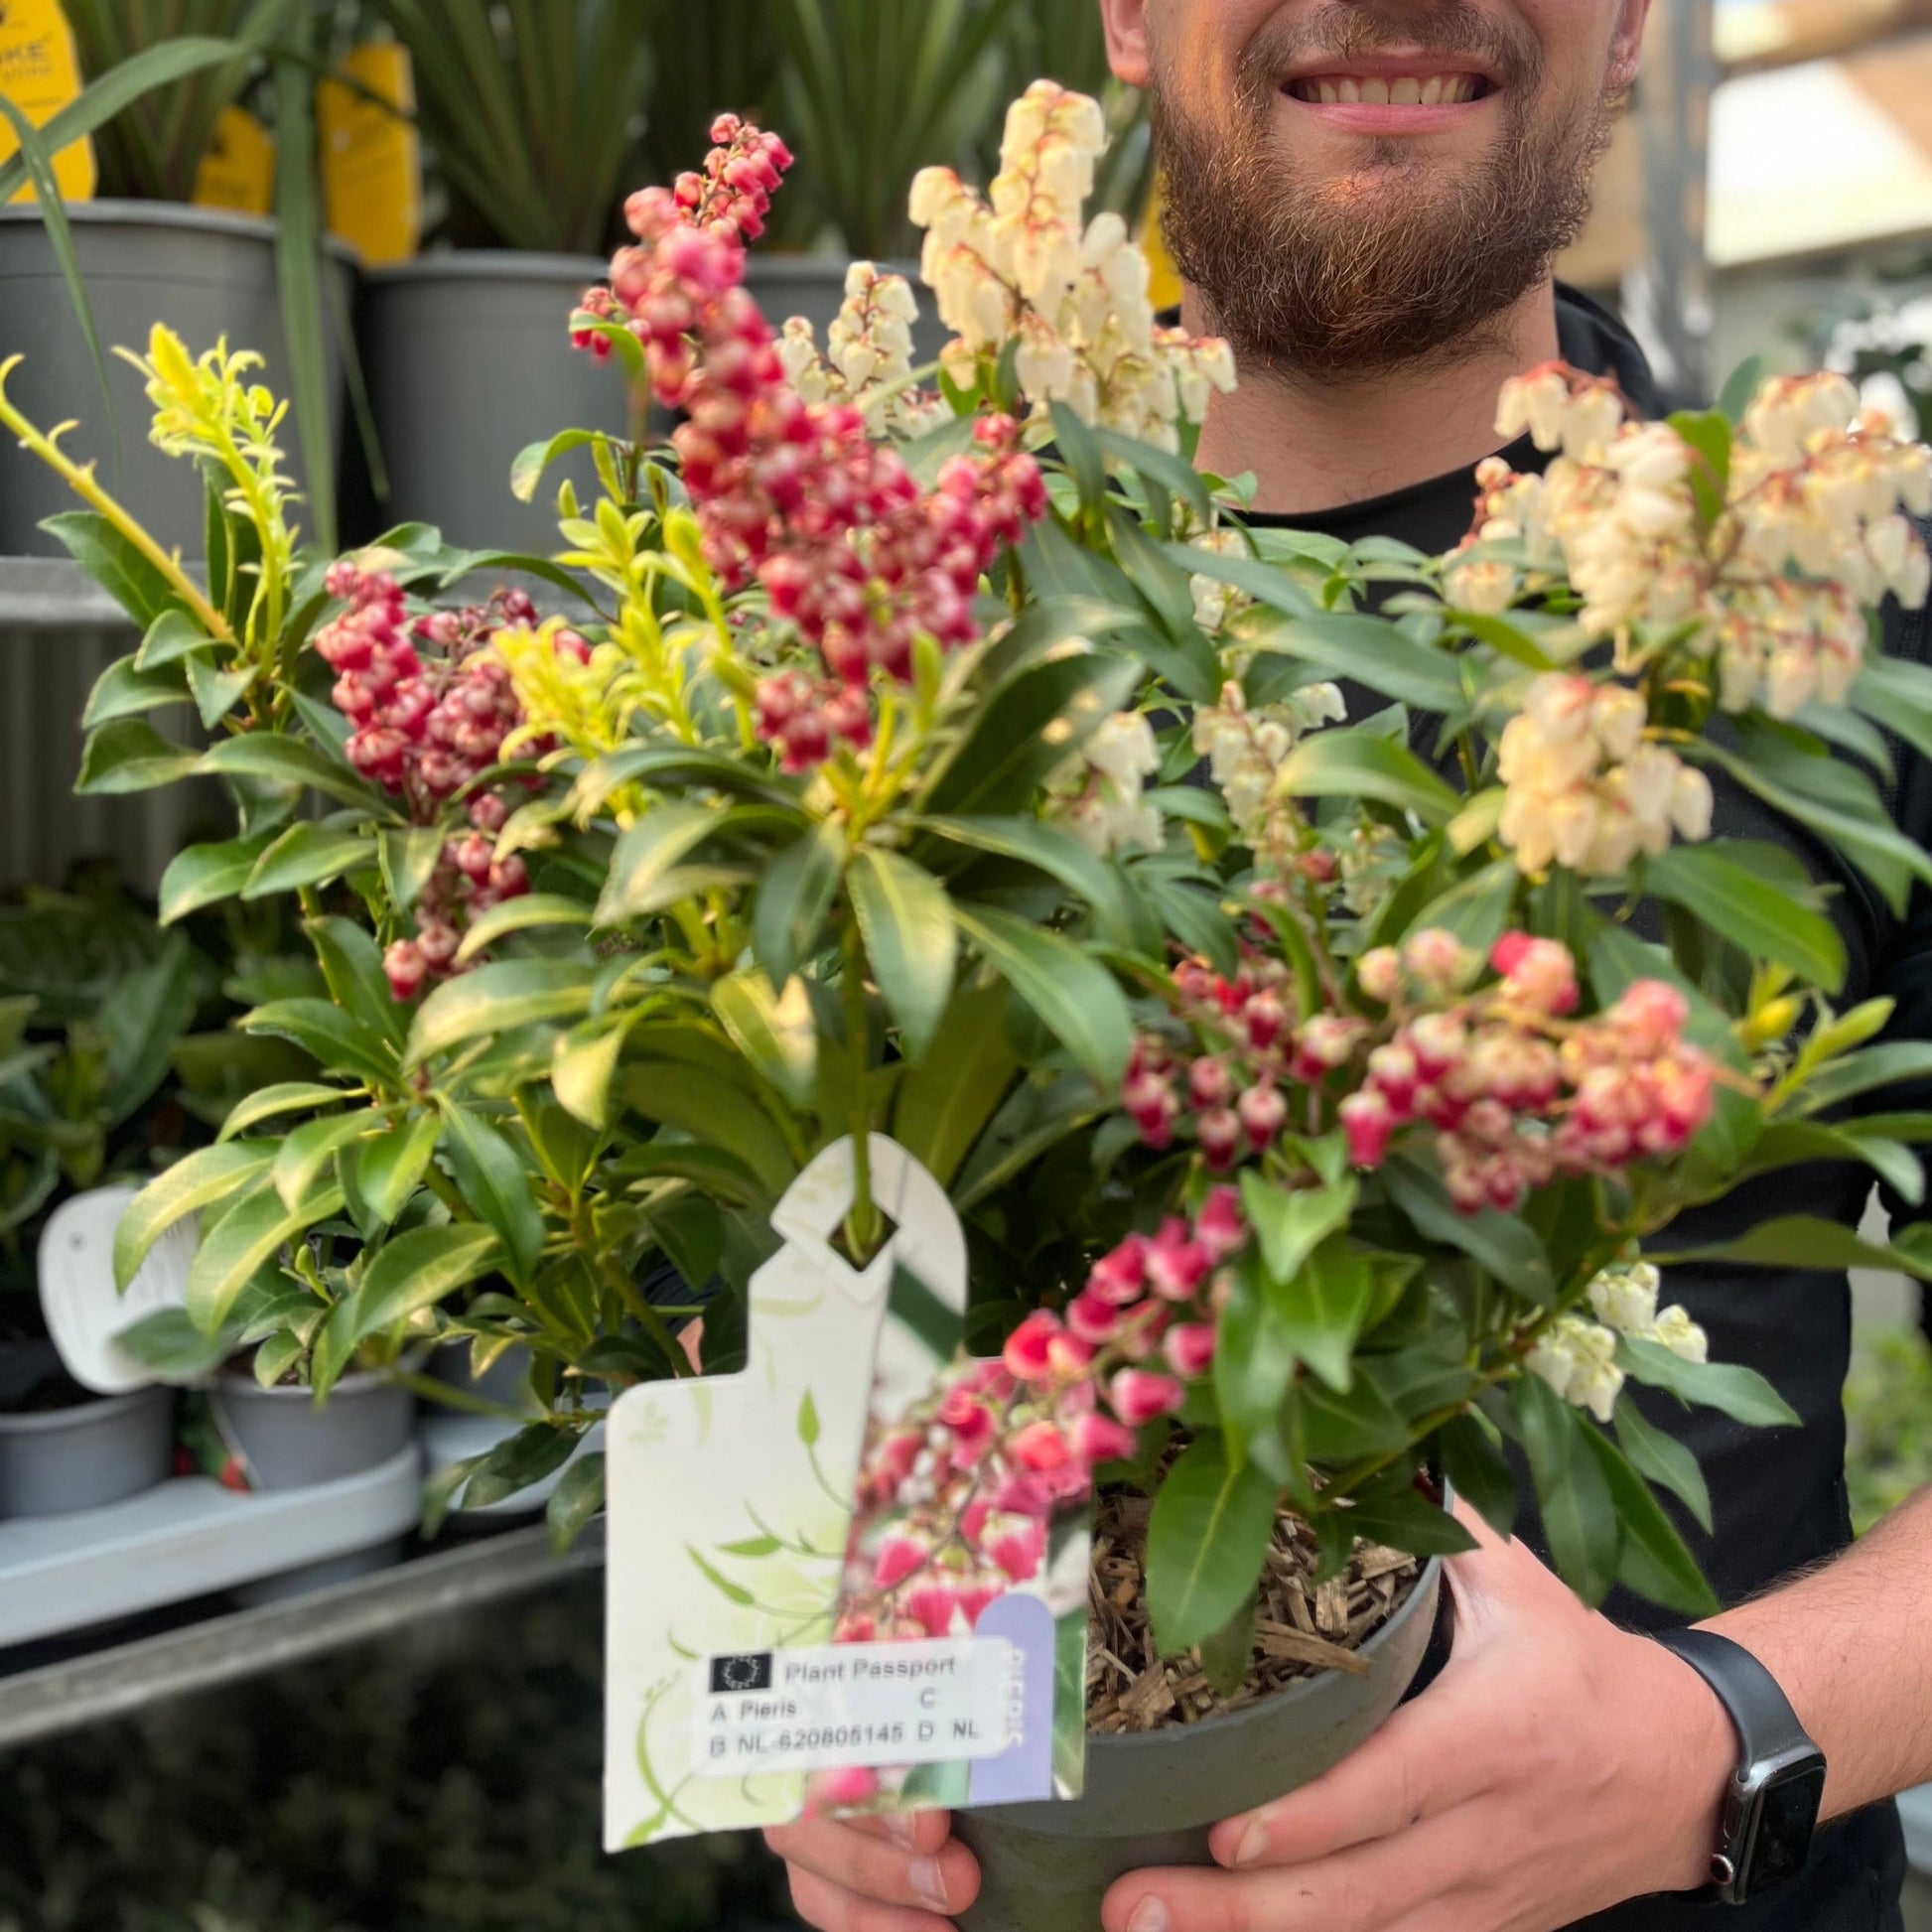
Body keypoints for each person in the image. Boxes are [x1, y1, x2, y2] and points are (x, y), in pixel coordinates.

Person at [765, 4, 1932, 1928]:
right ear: (1124, 15)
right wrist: (794, 1719)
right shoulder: (878, 614)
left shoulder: (1836, 623)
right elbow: (749, 1302)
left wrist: (1710, 1740)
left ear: (1631, 23)